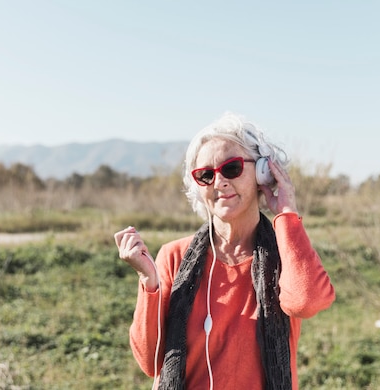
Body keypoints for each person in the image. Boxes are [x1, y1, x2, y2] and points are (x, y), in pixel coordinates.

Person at [114, 112, 335, 390]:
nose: (219, 182)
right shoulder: (173, 256)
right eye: (206, 175)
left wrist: (286, 212)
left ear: (262, 172)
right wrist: (149, 283)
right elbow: (150, 361)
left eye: (231, 168)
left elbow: (307, 302)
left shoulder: (286, 254)